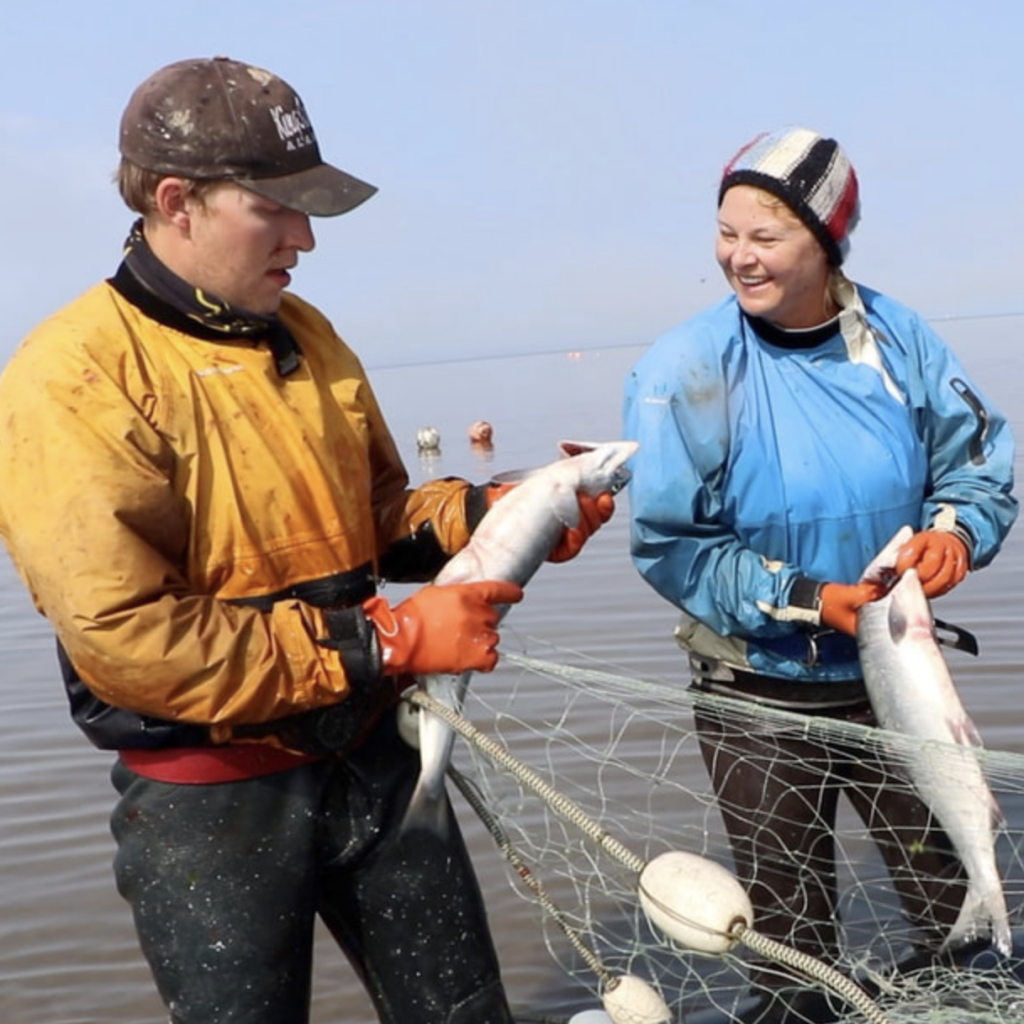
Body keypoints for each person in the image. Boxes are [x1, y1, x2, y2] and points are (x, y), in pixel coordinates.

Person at [0, 57, 615, 1024]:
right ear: (178, 201)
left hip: (374, 760)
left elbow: (373, 522)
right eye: (277, 208)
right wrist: (391, 643)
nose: (307, 238)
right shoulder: (72, 376)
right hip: (212, 804)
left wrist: (486, 513)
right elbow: (125, 638)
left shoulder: (308, 335)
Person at [623, 127, 1017, 1022]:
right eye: (727, 232)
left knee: (952, 898)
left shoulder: (898, 336)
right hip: (757, 697)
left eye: (768, 236)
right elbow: (670, 542)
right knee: (793, 951)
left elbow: (977, 463)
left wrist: (956, 534)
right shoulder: (684, 368)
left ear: (828, 241)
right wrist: (806, 599)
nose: (739, 257)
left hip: (896, 686)